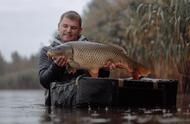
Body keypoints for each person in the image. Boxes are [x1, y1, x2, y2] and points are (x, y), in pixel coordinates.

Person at [38, 11, 111, 107]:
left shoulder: (91, 49)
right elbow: (44, 82)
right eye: (65, 26)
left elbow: (100, 80)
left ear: (80, 30)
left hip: (86, 104)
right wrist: (56, 67)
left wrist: (105, 69)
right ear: (59, 26)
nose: (68, 30)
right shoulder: (47, 51)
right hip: (57, 106)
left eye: (73, 28)